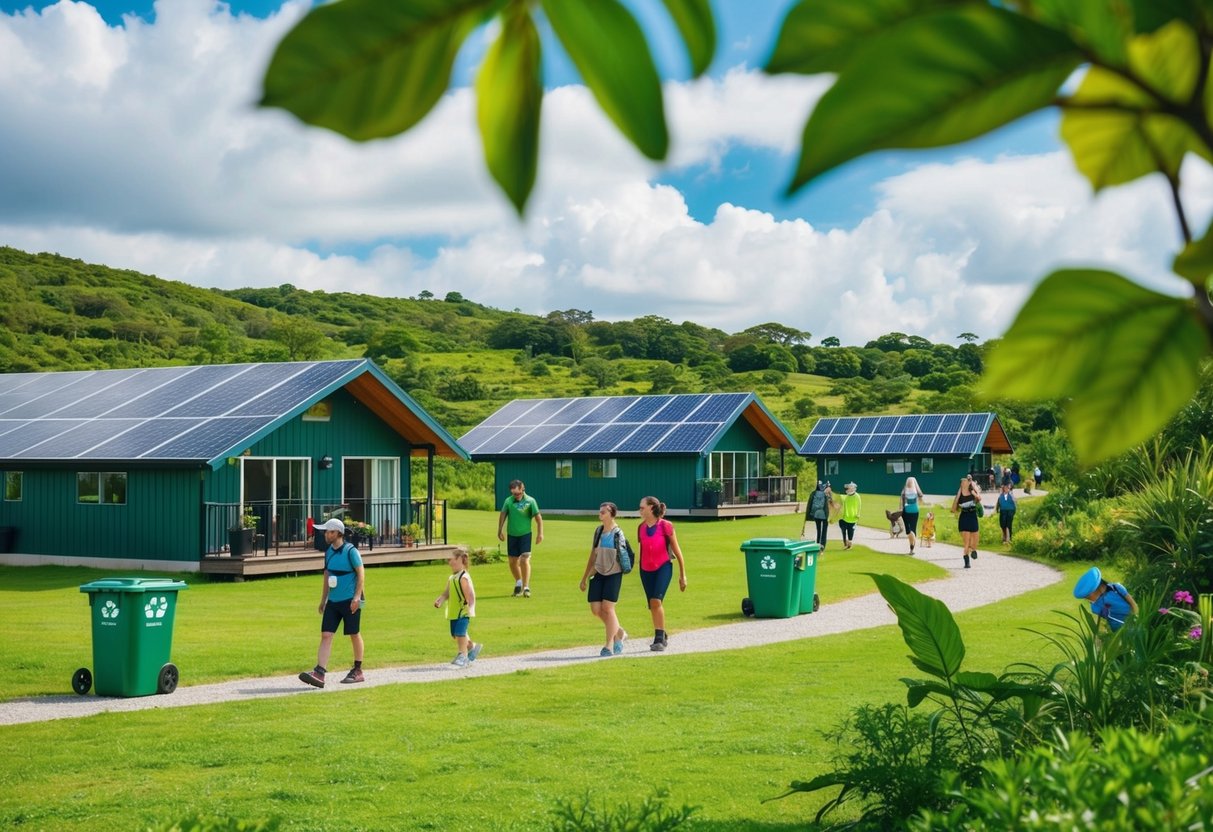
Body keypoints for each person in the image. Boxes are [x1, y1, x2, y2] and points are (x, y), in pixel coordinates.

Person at [299, 518, 365, 687]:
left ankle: (358, 670)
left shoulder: (351, 551)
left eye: (329, 532)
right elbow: (327, 576)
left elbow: (361, 574)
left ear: (338, 533)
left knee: (354, 634)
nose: (326, 535)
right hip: (333, 601)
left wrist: (357, 597)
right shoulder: (328, 552)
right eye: (326, 532)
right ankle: (320, 672)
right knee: (326, 635)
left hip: (350, 600)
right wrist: (323, 600)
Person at [637, 496, 687, 652]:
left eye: (642, 507)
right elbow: (643, 549)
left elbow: (677, 551)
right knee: (652, 605)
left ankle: (659, 639)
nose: (640, 510)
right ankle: (662, 632)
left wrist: (682, 575)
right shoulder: (641, 527)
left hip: (663, 567)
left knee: (656, 601)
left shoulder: (666, 526)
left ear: (651, 508)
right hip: (645, 569)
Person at [579, 502, 629, 657]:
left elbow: (624, 555)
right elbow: (593, 555)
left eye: (603, 512)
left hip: (614, 573)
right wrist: (585, 577)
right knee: (595, 609)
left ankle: (609, 645)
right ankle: (618, 631)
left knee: (608, 608)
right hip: (599, 571)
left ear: (612, 514)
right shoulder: (598, 531)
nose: (600, 515)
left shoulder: (618, 533)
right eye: (599, 512)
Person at [433, 548, 482, 668]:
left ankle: (463, 656)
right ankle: (472, 647)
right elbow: (447, 592)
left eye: (452, 559)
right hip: (454, 611)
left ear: (461, 559)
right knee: (455, 634)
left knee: (460, 633)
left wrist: (469, 608)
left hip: (463, 610)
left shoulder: (464, 577)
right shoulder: (452, 578)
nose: (450, 562)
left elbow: (469, 594)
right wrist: (441, 599)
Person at [497, 479, 543, 598]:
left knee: (524, 559)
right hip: (512, 535)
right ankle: (519, 582)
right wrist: (500, 530)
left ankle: (526, 587)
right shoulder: (508, 501)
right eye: (513, 493)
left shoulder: (530, 501)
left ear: (523, 489)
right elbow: (503, 514)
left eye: (518, 493)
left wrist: (540, 534)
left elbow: (538, 518)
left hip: (525, 534)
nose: (516, 496)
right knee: (512, 562)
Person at [1073, 567, 1138, 631]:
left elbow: (1133, 603)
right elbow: (1102, 622)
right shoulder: (1095, 607)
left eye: (1088, 597)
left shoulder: (1116, 588)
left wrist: (1137, 618)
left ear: (1096, 590)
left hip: (1134, 623)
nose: (1088, 600)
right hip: (1117, 633)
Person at [951, 476, 981, 569]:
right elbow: (953, 510)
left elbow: (979, 499)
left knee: (975, 540)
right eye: (962, 483)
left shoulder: (973, 492)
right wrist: (957, 497)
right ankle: (967, 561)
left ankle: (973, 550)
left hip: (972, 516)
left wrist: (974, 491)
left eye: (965, 482)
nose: (964, 484)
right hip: (964, 517)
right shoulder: (959, 496)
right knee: (966, 542)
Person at [806, 481, 836, 549]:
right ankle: (822, 547)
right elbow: (832, 505)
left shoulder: (814, 493)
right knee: (824, 531)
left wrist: (808, 516)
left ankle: (817, 544)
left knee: (818, 530)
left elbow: (809, 505)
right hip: (825, 514)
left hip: (816, 514)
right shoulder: (827, 494)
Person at [900, 476, 925, 555]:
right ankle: (912, 545)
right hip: (912, 511)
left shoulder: (904, 492)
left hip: (909, 511)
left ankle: (912, 547)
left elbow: (901, 504)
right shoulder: (914, 492)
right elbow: (921, 502)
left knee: (910, 530)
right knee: (911, 530)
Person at [837, 482, 861, 549]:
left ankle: (849, 542)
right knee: (843, 530)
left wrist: (858, 514)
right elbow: (838, 499)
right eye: (849, 488)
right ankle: (845, 543)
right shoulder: (845, 496)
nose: (849, 490)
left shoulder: (857, 496)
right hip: (844, 517)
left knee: (851, 530)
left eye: (851, 488)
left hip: (853, 517)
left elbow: (859, 506)